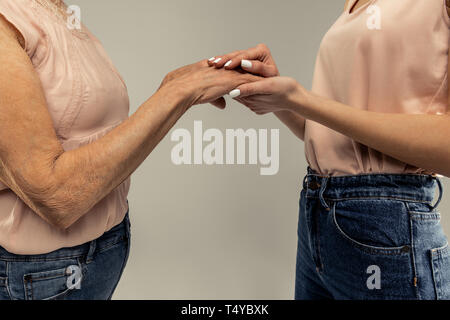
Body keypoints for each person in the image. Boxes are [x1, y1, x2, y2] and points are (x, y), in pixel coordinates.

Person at [0, 0, 259, 300]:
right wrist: (175, 94)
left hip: (102, 251)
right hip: (40, 276)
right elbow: (56, 196)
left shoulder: (55, 10)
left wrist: (174, 84)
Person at [211, 0, 450, 299]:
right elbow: (337, 140)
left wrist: (301, 99)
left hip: (386, 227)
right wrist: (281, 98)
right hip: (317, 213)